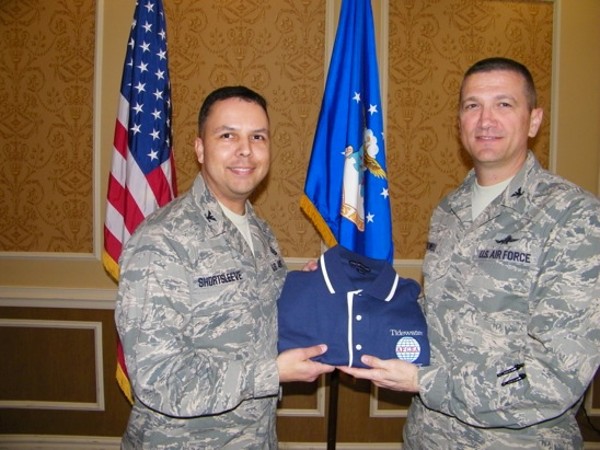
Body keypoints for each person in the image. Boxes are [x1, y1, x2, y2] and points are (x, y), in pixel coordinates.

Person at [339, 57, 600, 448]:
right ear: (459, 121)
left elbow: (557, 373)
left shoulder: (574, 217)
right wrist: (346, 290)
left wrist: (425, 381)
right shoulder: (449, 210)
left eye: (504, 104)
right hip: (429, 436)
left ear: (534, 120)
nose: (485, 120)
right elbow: (433, 316)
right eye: (472, 105)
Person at [115, 85, 334, 449]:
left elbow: (258, 315)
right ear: (200, 148)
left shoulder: (259, 232)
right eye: (228, 135)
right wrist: (270, 374)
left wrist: (306, 288)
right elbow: (157, 378)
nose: (245, 150)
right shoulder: (162, 241)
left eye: (258, 136)